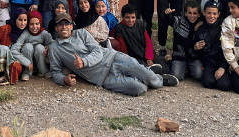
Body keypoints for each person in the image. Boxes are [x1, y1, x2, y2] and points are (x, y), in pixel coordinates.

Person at [48, 13, 176, 96]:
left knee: (152, 80)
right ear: (56, 28)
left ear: (71, 26)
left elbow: (97, 51)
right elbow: (55, 71)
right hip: (103, 78)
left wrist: (84, 62)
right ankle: (146, 73)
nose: (64, 27)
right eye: (60, 24)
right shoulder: (54, 48)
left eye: (67, 23)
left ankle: (157, 78)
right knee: (140, 89)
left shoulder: (82, 33)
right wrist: (64, 80)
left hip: (113, 58)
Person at [111, 4, 176, 81]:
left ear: (136, 16)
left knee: (164, 69)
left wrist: (149, 58)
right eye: (127, 17)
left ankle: (158, 73)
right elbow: (123, 48)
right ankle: (160, 78)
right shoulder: (120, 28)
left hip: (145, 53)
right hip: (133, 57)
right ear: (122, 17)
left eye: (133, 17)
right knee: (140, 71)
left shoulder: (140, 24)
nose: (130, 20)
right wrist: (130, 61)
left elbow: (148, 42)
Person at [0, 8, 27, 85]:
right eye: (20, 20)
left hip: (13, 61)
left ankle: (11, 76)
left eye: (25, 20)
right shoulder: (5, 28)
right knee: (2, 48)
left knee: (16, 65)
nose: (23, 23)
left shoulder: (26, 33)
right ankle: (1, 75)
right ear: (14, 19)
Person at [193, 0, 231, 91]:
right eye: (209, 13)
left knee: (224, 85)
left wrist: (223, 67)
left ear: (218, 14)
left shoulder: (224, 28)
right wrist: (195, 47)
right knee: (208, 83)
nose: (211, 16)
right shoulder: (200, 29)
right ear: (204, 13)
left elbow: (230, 51)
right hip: (208, 64)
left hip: (222, 62)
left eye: (214, 14)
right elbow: (194, 50)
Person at [166, 1, 204, 81]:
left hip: (194, 57)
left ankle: (188, 69)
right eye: (189, 13)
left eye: (195, 13)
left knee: (199, 74)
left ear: (199, 14)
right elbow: (171, 20)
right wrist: (167, 14)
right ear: (185, 13)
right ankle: (172, 64)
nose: (192, 16)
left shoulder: (201, 24)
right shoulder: (179, 21)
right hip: (179, 56)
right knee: (177, 76)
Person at [11, 11, 53, 81]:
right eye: (31, 24)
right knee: (28, 46)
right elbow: (13, 50)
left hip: (41, 62)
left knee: (39, 47)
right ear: (28, 24)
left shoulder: (44, 34)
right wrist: (26, 62)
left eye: (37, 24)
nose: (34, 27)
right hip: (28, 63)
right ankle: (27, 72)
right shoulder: (25, 34)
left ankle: (43, 71)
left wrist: (48, 48)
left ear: (40, 23)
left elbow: (53, 45)